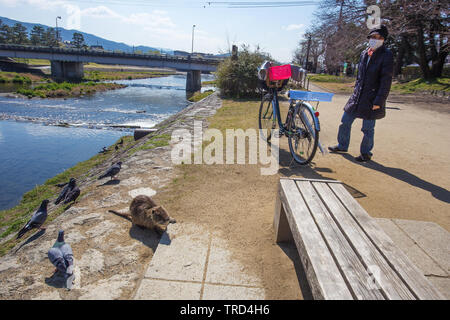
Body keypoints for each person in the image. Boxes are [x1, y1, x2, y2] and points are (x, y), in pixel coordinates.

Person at [328, 25, 394, 162]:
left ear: (383, 39)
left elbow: (386, 81)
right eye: (372, 37)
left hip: (372, 98)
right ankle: (342, 145)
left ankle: (366, 153)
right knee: (345, 121)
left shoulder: (386, 55)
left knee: (368, 128)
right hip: (357, 96)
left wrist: (379, 101)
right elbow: (360, 76)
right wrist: (356, 87)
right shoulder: (364, 53)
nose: (375, 40)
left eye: (378, 37)